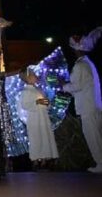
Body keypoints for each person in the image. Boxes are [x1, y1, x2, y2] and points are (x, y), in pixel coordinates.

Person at [63, 27, 102, 173]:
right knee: (97, 135)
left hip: (87, 107)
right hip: (94, 105)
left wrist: (63, 86)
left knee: (93, 136)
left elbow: (77, 86)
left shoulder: (80, 65)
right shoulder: (88, 63)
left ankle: (101, 163)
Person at [19, 68, 58, 168]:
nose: (36, 76)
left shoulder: (39, 90)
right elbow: (24, 105)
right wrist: (36, 102)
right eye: (33, 75)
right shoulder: (25, 91)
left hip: (43, 117)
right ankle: (36, 159)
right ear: (28, 78)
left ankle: (46, 158)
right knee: (36, 138)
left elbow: (46, 102)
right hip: (34, 118)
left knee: (44, 136)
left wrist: (47, 103)